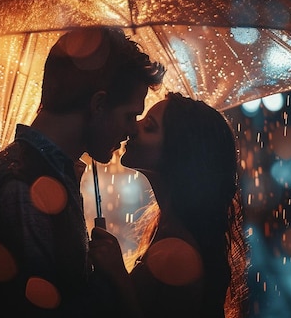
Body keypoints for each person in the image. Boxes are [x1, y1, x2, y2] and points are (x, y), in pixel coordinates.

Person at [0, 27, 165, 317]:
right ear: (99, 104)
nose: (132, 129)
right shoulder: (24, 187)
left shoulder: (48, 173)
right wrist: (109, 285)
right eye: (130, 115)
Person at [89, 92, 248, 318]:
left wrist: (118, 276)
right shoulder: (168, 227)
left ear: (179, 153)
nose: (133, 128)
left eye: (149, 127)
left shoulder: (178, 253)